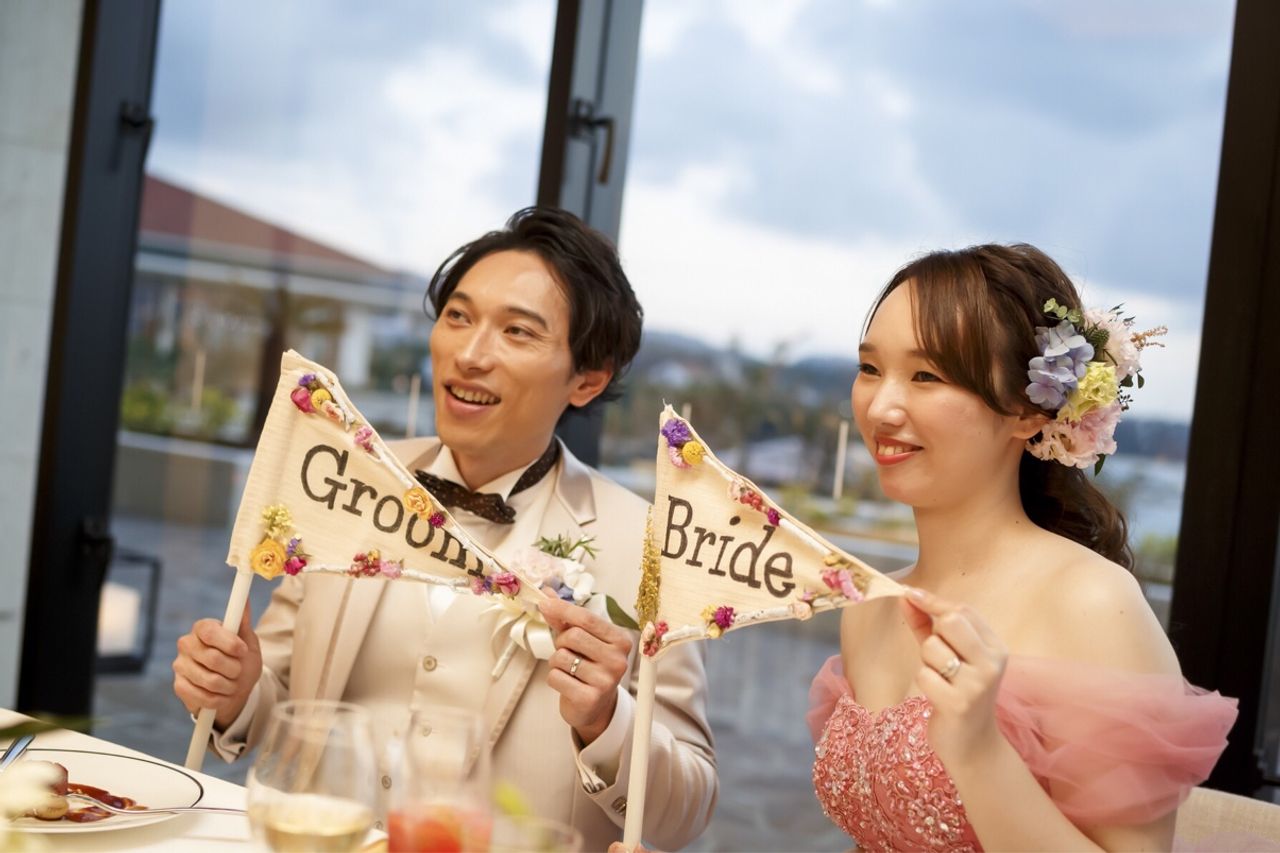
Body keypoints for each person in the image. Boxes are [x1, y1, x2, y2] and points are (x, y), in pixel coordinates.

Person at [173, 207, 717, 850]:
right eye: (458, 316)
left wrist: (606, 720)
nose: (469, 354)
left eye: (517, 331)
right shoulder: (347, 479)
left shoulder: (651, 548)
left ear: (587, 380)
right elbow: (282, 714)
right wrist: (237, 692)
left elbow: (686, 811)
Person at [809, 244, 1237, 851]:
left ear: (1029, 412)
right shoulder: (871, 607)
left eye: (927, 376)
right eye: (870, 368)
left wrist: (980, 752)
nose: (880, 408)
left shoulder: (1092, 602)